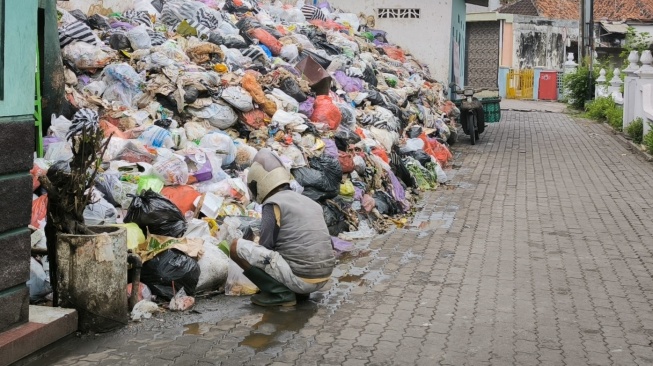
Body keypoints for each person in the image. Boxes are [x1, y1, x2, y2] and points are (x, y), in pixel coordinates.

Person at [230, 148, 335, 307]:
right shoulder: (310, 202)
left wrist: (254, 242)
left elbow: (266, 245)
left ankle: (280, 294)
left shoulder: (272, 204)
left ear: (260, 183)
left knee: (235, 247)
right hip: (324, 276)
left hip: (301, 278)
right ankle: (298, 291)